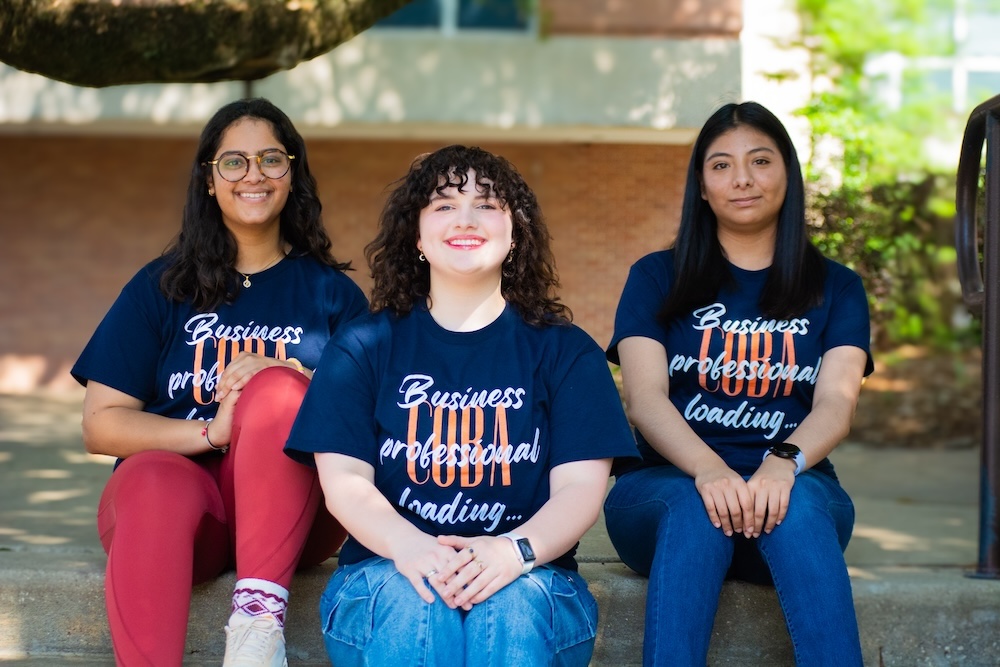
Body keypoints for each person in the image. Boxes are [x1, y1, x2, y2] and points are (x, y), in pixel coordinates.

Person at [284, 145, 639, 666]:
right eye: (445, 205)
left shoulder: (566, 351)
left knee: (511, 605)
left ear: (515, 231)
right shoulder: (363, 346)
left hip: (535, 578)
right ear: (416, 233)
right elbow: (345, 484)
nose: (466, 219)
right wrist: (411, 548)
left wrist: (512, 551)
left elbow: (581, 489)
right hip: (385, 573)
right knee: (418, 602)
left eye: (488, 204)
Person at [71, 97, 369, 666]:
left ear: (292, 173)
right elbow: (100, 425)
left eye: (271, 159)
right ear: (209, 179)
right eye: (233, 161)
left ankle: (257, 635)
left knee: (280, 391)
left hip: (298, 518)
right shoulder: (161, 287)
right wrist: (212, 432)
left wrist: (296, 375)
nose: (253, 174)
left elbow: (372, 422)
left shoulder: (334, 296)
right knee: (155, 476)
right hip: (181, 521)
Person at [602, 101, 873, 666]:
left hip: (793, 494)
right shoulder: (655, 277)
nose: (742, 179)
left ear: (787, 174)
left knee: (796, 506)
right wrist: (709, 469)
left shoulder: (837, 287)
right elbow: (644, 400)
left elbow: (836, 404)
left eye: (760, 161)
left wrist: (783, 463)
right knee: (696, 508)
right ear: (701, 185)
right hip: (664, 496)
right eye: (721, 165)